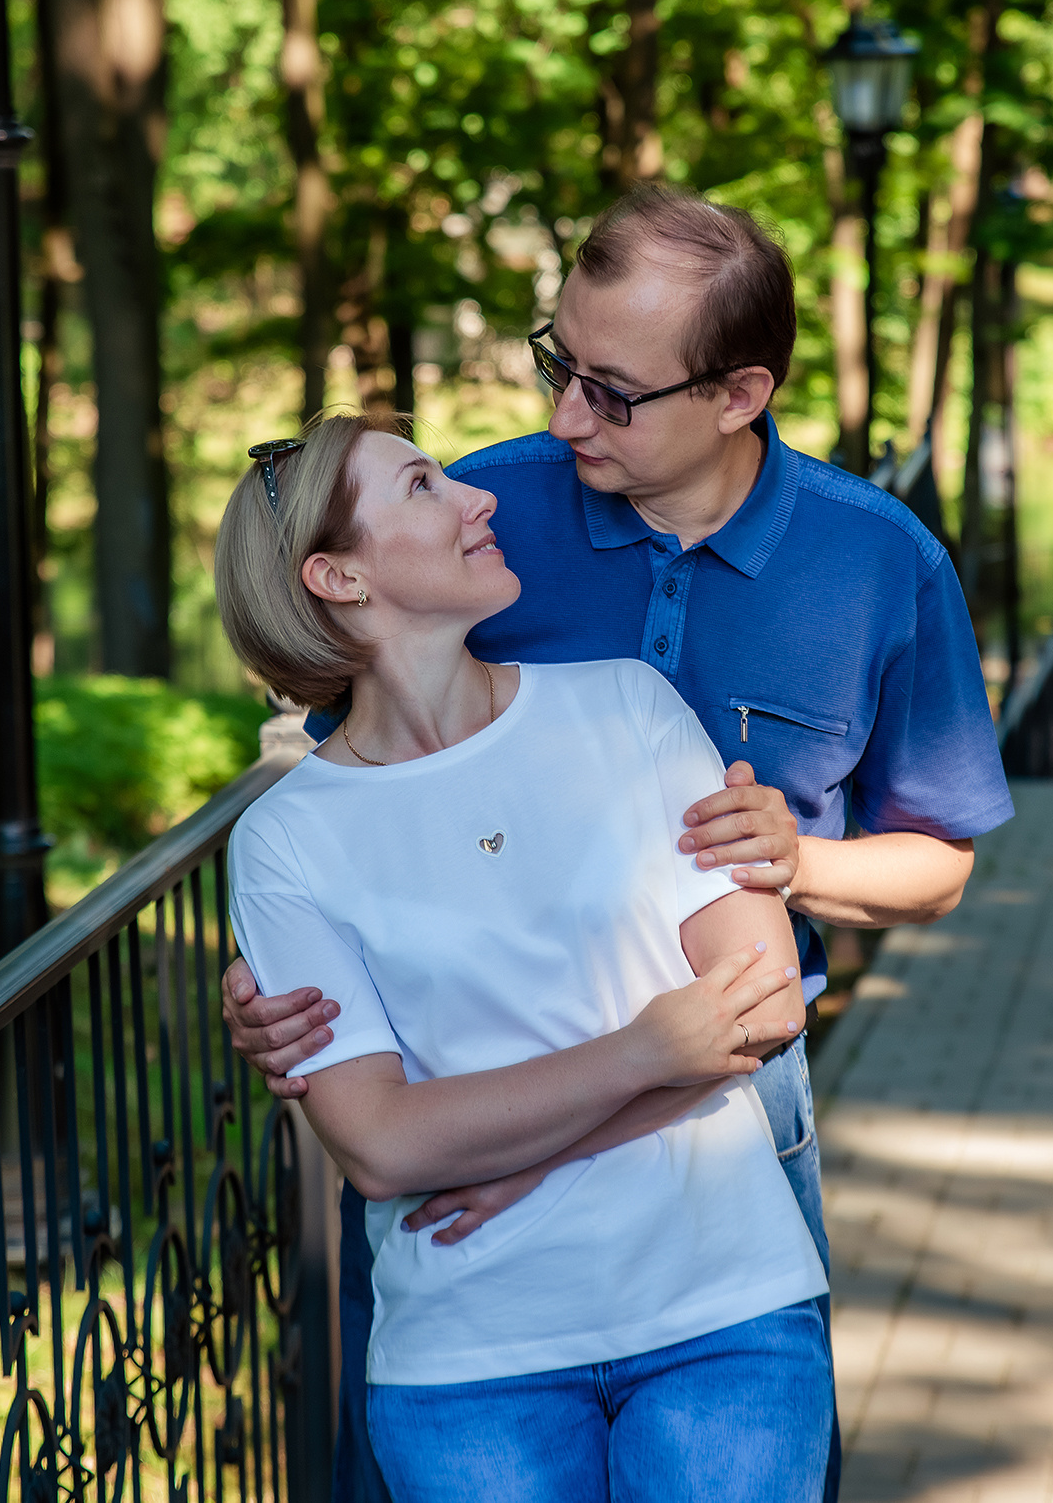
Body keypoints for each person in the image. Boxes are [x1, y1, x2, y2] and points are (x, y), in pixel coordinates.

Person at [223, 186, 1015, 1501]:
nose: (562, 419)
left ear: (739, 392)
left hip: (728, 1110)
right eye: (558, 363)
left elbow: (937, 861)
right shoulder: (484, 509)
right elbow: (347, 786)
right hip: (468, 1132)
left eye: (612, 391)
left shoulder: (879, 565)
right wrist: (281, 990)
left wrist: (799, 863)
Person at [217, 411, 830, 1501]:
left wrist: (519, 1155)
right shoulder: (285, 838)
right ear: (337, 576)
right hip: (468, 1366)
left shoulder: (630, 709)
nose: (477, 498)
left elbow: (763, 1003)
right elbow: (384, 1149)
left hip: (722, 1311)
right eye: (421, 488)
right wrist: (646, 1051)